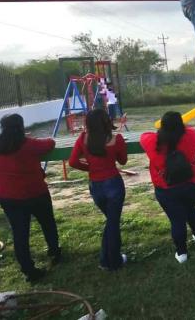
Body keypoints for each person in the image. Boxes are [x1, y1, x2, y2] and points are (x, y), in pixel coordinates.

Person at [0, 114, 60, 282]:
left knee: (20, 234)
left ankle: (29, 270)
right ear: (21, 127)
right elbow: (50, 143)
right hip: (35, 193)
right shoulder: (29, 144)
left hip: (8, 196)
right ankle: (54, 251)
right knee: (47, 223)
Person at [68, 109, 128, 271]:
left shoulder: (82, 139)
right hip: (114, 185)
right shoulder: (116, 139)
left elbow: (73, 162)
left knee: (111, 222)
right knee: (113, 224)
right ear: (106, 122)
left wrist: (90, 168)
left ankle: (105, 259)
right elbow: (123, 161)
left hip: (96, 186)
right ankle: (113, 262)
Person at [140, 112, 195, 264]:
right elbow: (193, 130)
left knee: (177, 220)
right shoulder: (191, 135)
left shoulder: (152, 140)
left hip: (167, 190)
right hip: (193, 185)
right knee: (191, 208)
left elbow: (143, 135)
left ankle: (181, 254)